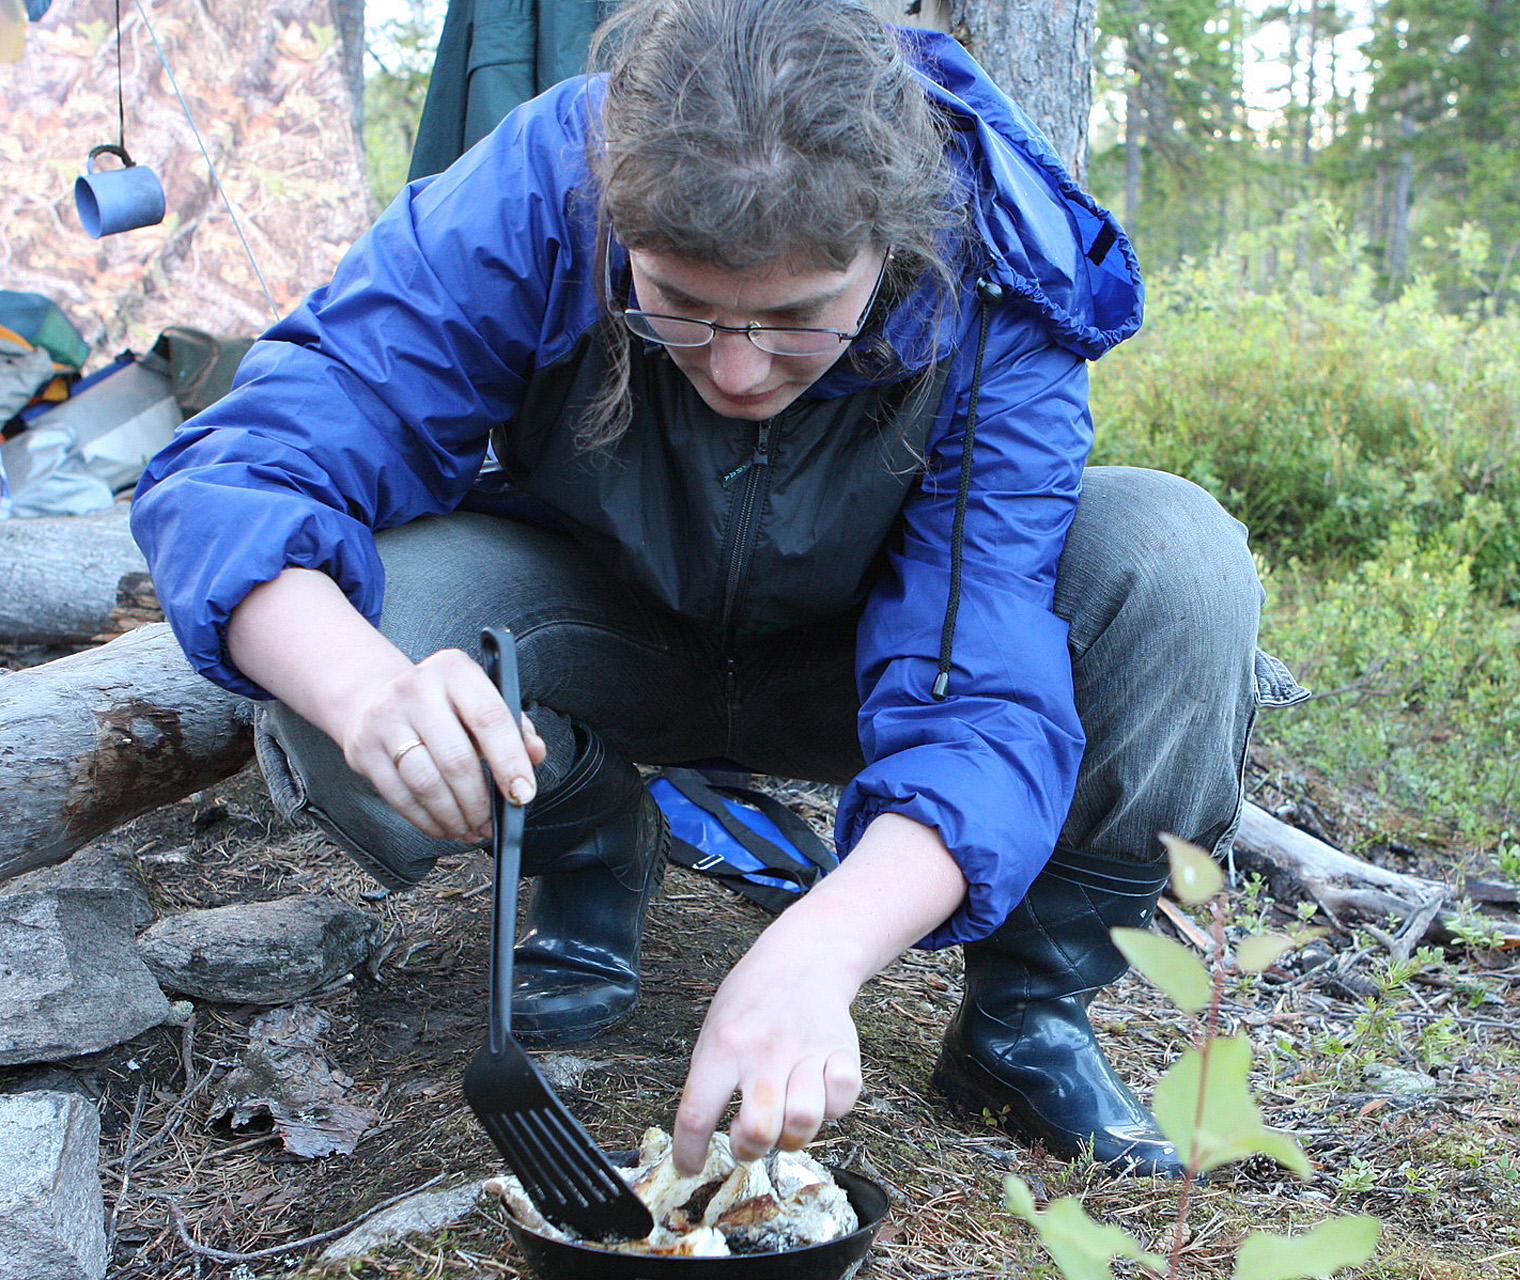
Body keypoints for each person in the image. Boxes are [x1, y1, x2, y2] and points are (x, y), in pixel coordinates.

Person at [131, 0, 1304, 1180]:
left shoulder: (994, 267)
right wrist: (363, 688)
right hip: (600, 624)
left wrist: (825, 944)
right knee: (343, 639)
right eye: (679, 306)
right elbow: (243, 464)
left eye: (797, 318)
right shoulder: (548, 185)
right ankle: (589, 831)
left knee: (1177, 557)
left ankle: (1027, 1019)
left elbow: (982, 690)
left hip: (855, 667)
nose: (737, 369)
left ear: (892, 247)